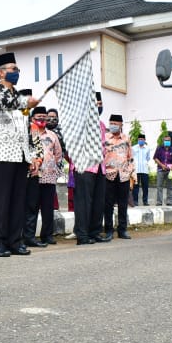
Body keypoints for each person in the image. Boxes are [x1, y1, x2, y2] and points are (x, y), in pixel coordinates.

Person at [0, 52, 39, 257]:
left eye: (17, 69)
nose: (16, 72)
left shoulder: (20, 96)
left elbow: (26, 129)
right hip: (1, 154)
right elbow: (2, 102)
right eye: (12, 69)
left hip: (20, 154)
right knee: (1, 200)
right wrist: (25, 103)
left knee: (18, 200)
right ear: (1, 72)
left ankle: (15, 240)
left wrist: (31, 155)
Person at [23, 106, 63, 246]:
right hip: (33, 176)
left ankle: (47, 235)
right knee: (31, 207)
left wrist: (53, 167)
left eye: (44, 117)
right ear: (32, 118)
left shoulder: (52, 135)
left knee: (48, 208)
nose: (41, 120)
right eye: (38, 117)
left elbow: (58, 155)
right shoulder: (28, 133)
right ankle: (29, 236)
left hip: (49, 177)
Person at [72, 92, 108, 245]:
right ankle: (82, 235)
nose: (98, 107)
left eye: (100, 105)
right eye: (95, 104)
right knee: (83, 202)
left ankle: (95, 232)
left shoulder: (101, 125)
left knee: (98, 201)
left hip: (100, 168)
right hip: (85, 167)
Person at [103, 114, 134, 239]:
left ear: (121, 125)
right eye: (111, 123)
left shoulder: (126, 139)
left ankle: (122, 230)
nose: (113, 126)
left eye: (116, 124)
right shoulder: (104, 138)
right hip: (109, 174)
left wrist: (131, 173)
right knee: (108, 204)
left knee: (123, 204)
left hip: (123, 175)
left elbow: (130, 157)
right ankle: (109, 230)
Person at [154, 133, 172, 206]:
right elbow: (155, 158)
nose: (167, 142)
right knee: (159, 186)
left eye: (168, 140)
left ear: (170, 141)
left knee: (170, 187)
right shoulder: (159, 148)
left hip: (169, 171)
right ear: (163, 141)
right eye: (165, 140)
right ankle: (159, 202)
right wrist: (162, 165)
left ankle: (169, 201)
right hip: (160, 170)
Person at [131, 133, 151, 206]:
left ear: (144, 140)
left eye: (142, 139)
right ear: (137, 140)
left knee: (145, 187)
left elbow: (148, 158)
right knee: (135, 187)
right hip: (136, 170)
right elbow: (131, 158)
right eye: (139, 139)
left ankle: (145, 201)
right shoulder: (133, 148)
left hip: (144, 170)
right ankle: (135, 201)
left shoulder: (147, 148)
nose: (140, 140)